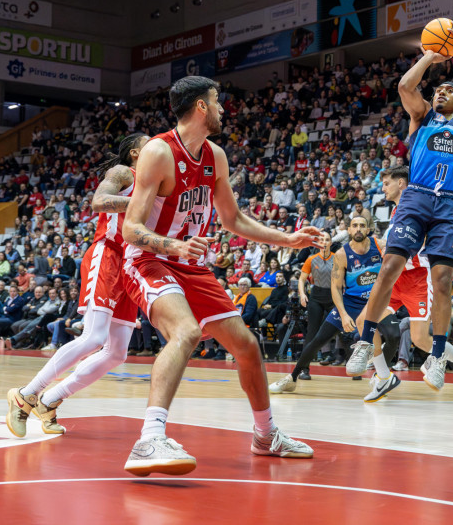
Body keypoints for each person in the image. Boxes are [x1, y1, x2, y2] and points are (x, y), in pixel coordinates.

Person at [121, 77, 320, 475]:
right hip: (149, 259)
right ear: (200, 107)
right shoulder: (158, 151)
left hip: (190, 265)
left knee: (246, 345)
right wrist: (173, 245)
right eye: (217, 102)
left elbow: (233, 219)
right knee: (187, 332)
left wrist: (289, 239)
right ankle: (148, 439)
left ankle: (266, 435)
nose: (224, 109)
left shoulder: (216, 156)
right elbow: (130, 228)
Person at [347, 20, 453, 389]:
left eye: (446, 90)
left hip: (448, 204)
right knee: (390, 265)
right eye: (437, 90)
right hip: (417, 196)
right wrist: (430, 56)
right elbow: (405, 85)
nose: (440, 93)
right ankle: (364, 342)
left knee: (441, 281)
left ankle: (437, 358)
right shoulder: (422, 117)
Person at [6, 133, 150, 439]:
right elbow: (98, 201)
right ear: (136, 153)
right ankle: (26, 394)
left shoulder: (155, 184)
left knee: (117, 353)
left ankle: (50, 399)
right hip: (108, 255)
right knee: (93, 337)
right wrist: (140, 200)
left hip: (130, 266)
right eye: (151, 143)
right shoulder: (124, 173)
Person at [358, 166, 453, 400]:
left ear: (401, 184)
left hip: (417, 278)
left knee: (420, 339)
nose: (383, 188)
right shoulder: (399, 210)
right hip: (398, 280)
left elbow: (418, 245)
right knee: (363, 320)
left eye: (387, 183)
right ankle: (384, 378)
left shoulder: (419, 206)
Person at [269, 215, 384, 394]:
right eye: (355, 225)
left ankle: (381, 377)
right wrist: (342, 313)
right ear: (349, 230)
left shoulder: (378, 246)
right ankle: (293, 377)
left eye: (363, 225)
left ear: (368, 229)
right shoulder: (337, 255)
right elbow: (332, 286)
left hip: (373, 301)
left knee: (390, 334)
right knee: (317, 339)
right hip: (342, 301)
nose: (359, 228)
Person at [297, 232, 335, 378]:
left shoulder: (337, 258)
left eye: (327, 240)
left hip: (333, 297)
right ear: (317, 243)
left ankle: (354, 369)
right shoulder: (311, 259)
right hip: (316, 298)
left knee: (345, 330)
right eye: (321, 240)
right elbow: (301, 280)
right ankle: (304, 369)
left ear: (331, 242)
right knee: (311, 334)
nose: (324, 242)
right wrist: (302, 294)